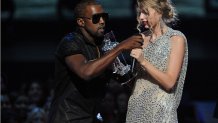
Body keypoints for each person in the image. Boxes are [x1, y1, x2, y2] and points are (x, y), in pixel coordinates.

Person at [48, 0, 143, 123]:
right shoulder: (70, 42)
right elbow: (86, 72)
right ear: (81, 22)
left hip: (92, 117)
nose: (102, 21)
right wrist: (119, 48)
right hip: (69, 117)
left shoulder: (104, 45)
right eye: (96, 18)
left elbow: (128, 82)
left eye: (104, 16)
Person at [126, 0, 188, 122]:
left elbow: (169, 82)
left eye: (145, 12)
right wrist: (122, 74)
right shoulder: (140, 39)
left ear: (159, 11)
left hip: (160, 112)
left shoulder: (176, 38)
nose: (141, 17)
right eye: (139, 13)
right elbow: (138, 82)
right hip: (136, 109)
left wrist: (143, 61)